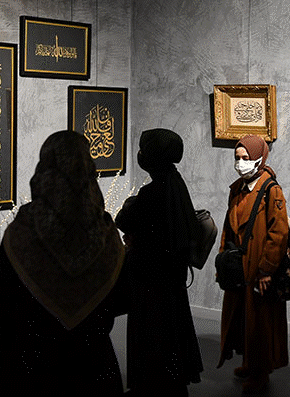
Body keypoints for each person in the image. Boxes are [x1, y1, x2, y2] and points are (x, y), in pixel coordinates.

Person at [0, 130, 127, 397]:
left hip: (32, 370)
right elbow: (120, 299)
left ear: (44, 170)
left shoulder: (21, 235)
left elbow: (1, 316)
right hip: (94, 370)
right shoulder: (107, 236)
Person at [115, 128, 204, 396]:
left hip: (151, 281)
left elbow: (125, 221)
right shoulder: (175, 183)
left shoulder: (153, 192)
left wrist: (131, 207)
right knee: (170, 334)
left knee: (152, 337)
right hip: (171, 279)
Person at [217, 134, 290, 394]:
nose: (240, 163)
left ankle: (261, 372)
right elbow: (228, 226)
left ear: (259, 158)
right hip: (239, 265)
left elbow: (278, 232)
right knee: (242, 318)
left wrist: (266, 269)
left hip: (258, 266)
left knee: (260, 322)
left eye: (246, 158)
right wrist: (223, 261)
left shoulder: (271, 189)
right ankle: (249, 363)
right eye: (237, 158)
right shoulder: (237, 188)